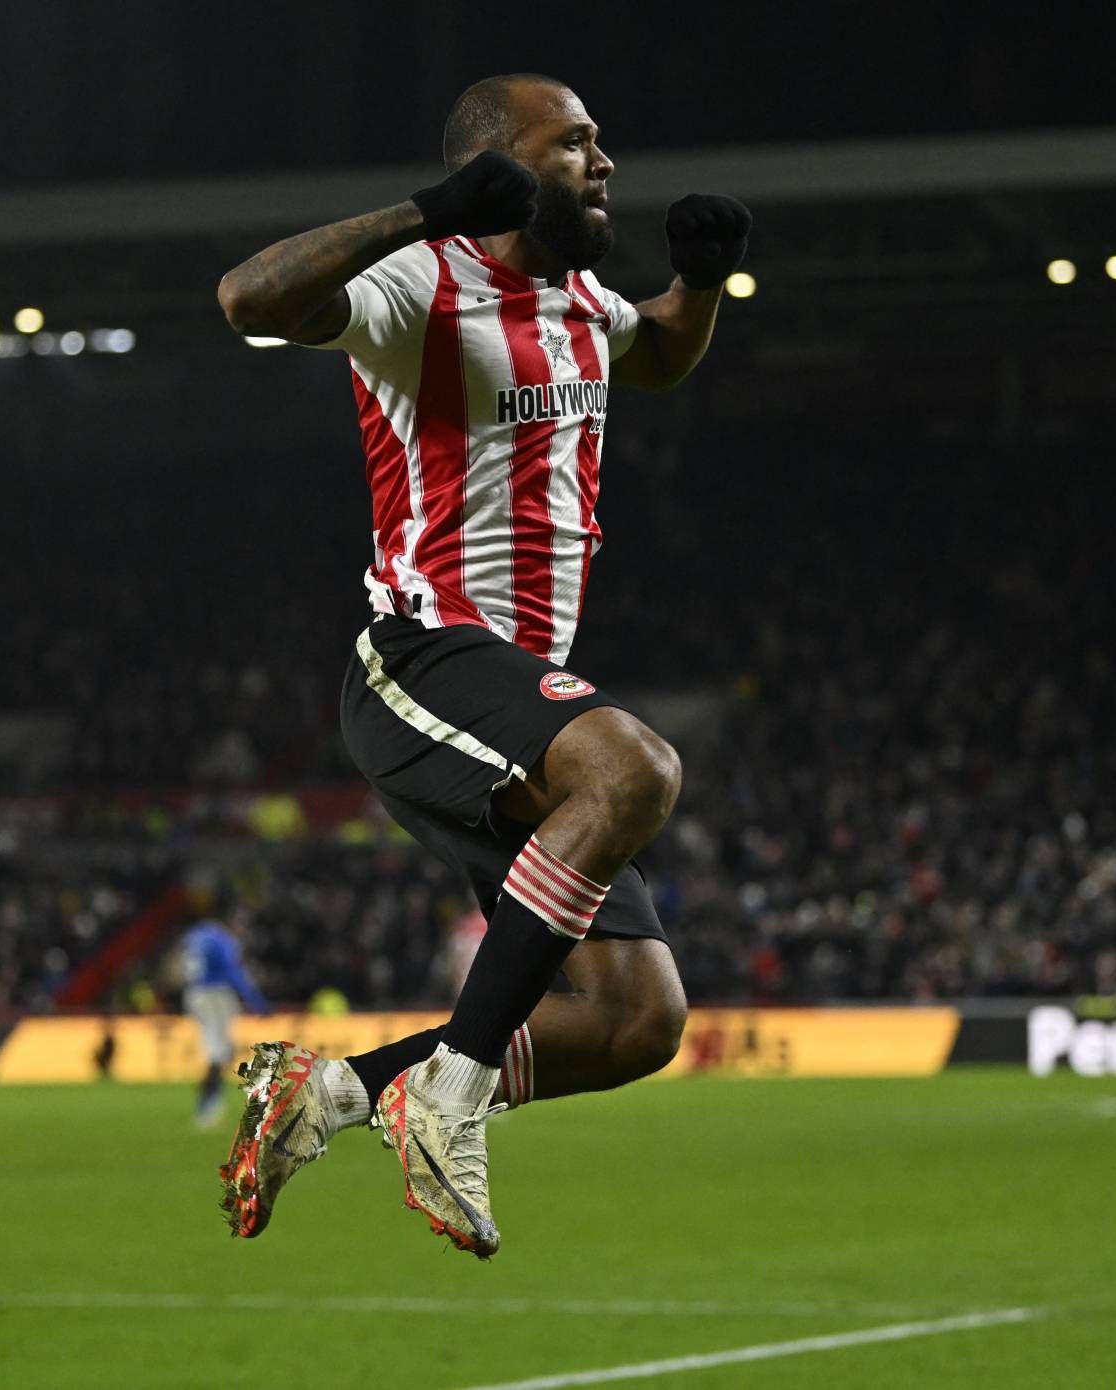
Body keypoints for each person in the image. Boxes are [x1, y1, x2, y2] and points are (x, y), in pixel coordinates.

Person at [215, 73, 750, 1257]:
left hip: (513, 698)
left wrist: (698, 284)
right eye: (574, 144)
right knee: (633, 769)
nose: (604, 162)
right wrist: (427, 210)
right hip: (420, 662)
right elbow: (248, 298)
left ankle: (329, 1095)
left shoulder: (579, 300)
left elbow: (656, 354)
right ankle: (451, 1094)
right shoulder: (420, 284)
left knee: (635, 1020)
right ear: (496, 167)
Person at [180, 908, 269, 1127]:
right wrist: (254, 1000)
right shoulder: (222, 939)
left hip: (194, 994)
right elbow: (232, 971)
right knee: (218, 1052)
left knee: (220, 1048)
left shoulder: (194, 934)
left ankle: (208, 1098)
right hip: (215, 995)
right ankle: (208, 1104)